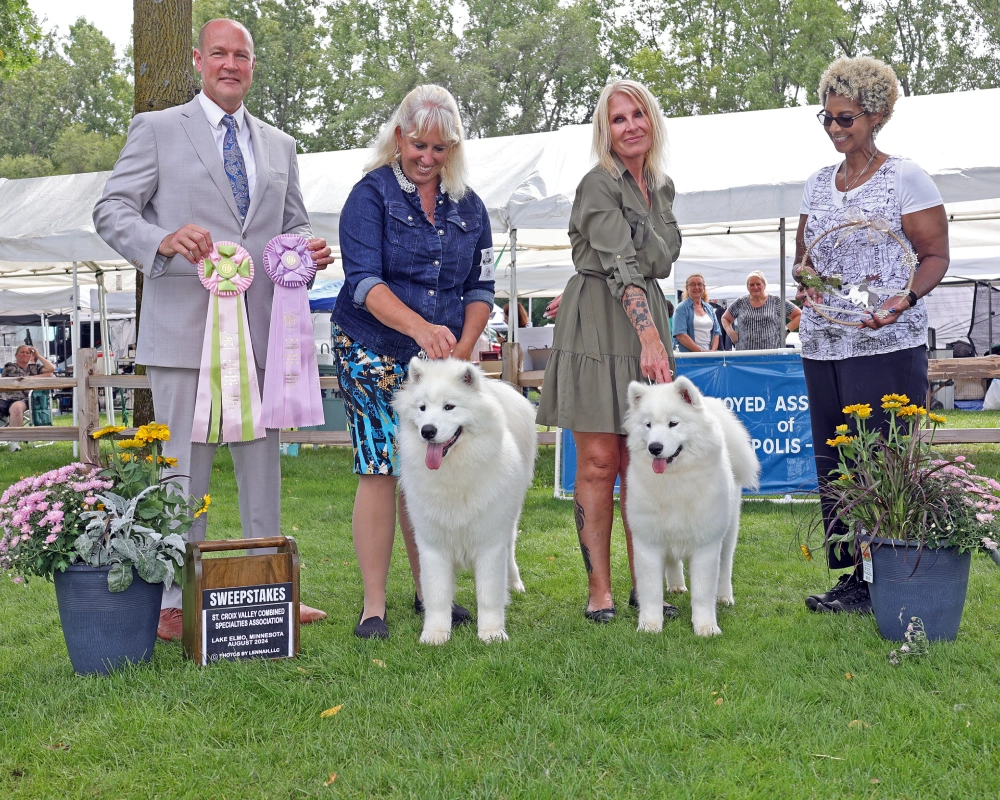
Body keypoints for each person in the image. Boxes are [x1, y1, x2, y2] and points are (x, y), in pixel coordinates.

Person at [93, 18, 332, 641]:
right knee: (182, 470)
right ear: (198, 60)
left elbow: (291, 225)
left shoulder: (280, 145)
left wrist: (304, 253)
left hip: (261, 334)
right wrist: (162, 240)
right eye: (219, 53)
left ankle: (270, 586)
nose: (231, 64)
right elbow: (112, 209)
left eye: (242, 56)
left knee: (263, 468)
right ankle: (174, 598)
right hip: (182, 330)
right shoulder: (156, 129)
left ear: (253, 66)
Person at [331, 84, 494, 639]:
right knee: (381, 469)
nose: (427, 158)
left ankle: (433, 595)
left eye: (440, 149)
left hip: (440, 364)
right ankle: (373, 605)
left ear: (454, 148)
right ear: (399, 137)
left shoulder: (471, 206)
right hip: (372, 350)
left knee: (430, 472)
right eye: (418, 145)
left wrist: (464, 351)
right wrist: (420, 329)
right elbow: (364, 282)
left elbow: (480, 286)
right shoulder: (369, 196)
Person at [794, 56, 949, 614]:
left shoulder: (907, 177)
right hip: (823, 343)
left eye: (846, 118)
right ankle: (849, 580)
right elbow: (804, 259)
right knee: (834, 460)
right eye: (828, 118)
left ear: (876, 116)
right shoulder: (816, 185)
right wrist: (806, 285)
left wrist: (903, 298)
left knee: (879, 458)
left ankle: (888, 572)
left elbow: (934, 256)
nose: (836, 129)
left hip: (887, 344)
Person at [536, 79, 681, 623]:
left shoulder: (662, 187)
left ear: (653, 120)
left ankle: (647, 584)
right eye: (618, 119)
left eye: (638, 114)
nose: (630, 126)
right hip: (602, 320)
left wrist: (650, 331)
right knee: (599, 461)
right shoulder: (597, 184)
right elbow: (620, 264)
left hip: (646, 316)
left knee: (644, 461)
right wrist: (648, 338)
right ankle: (600, 589)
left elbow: (660, 264)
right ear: (606, 130)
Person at [721, 270, 801, 350]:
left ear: (764, 285)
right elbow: (725, 318)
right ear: (747, 287)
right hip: (745, 354)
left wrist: (786, 330)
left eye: (758, 284)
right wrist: (731, 333)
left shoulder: (776, 300)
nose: (755, 287)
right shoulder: (741, 302)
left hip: (772, 353)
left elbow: (799, 315)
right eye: (751, 285)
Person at [1, 345, 55, 452]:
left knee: (16, 408)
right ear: (16, 355)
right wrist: (36, 378)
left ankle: (14, 443)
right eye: (22, 352)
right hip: (4, 397)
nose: (25, 354)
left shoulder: (34, 367)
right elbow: (20, 379)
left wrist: (38, 355)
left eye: (27, 352)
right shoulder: (10, 366)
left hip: (24, 399)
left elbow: (51, 370)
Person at [672, 274, 721, 352]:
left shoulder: (710, 308)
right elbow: (680, 335)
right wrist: (700, 352)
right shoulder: (681, 309)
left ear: (704, 288)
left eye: (699, 284)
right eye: (693, 284)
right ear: (687, 288)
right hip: (689, 358)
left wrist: (712, 352)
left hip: (709, 357)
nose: (697, 287)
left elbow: (716, 332)